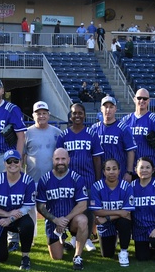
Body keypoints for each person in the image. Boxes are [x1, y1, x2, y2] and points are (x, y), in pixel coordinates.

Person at [57, 102, 103, 252]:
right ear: (70, 116)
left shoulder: (91, 134)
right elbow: (58, 160)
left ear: (84, 115)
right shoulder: (63, 135)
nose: (77, 115)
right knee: (70, 209)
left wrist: (97, 180)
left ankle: (86, 238)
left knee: (88, 210)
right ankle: (73, 236)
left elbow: (97, 159)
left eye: (80, 113)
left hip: (88, 179)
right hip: (69, 181)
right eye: (74, 113)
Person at [36, 148, 89, 270]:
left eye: (63, 159)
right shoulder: (44, 180)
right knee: (57, 257)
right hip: (53, 222)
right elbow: (40, 206)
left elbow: (82, 204)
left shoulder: (76, 178)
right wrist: (55, 220)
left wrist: (65, 220)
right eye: (57, 159)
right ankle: (63, 240)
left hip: (71, 219)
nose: (60, 162)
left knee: (83, 220)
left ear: (68, 160)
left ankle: (77, 256)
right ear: (52, 160)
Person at [0, 149, 35, 270]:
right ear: (4, 163)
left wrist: (10, 218)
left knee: (28, 224)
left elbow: (27, 207)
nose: (12, 164)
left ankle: (25, 257)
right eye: (9, 161)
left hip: (17, 216)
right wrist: (6, 214)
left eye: (15, 161)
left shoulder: (28, 181)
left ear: (20, 162)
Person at [24, 101, 62, 241]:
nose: (41, 116)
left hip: (52, 179)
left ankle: (57, 236)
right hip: (32, 178)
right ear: (33, 115)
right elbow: (22, 156)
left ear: (48, 114)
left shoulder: (57, 133)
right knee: (30, 210)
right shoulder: (27, 133)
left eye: (44, 113)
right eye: (38, 113)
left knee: (54, 208)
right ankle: (30, 238)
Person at [90, 158, 134, 266]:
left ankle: (124, 251)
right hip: (105, 225)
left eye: (114, 169)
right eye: (108, 169)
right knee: (107, 254)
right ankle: (113, 238)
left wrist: (107, 218)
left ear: (119, 171)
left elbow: (127, 212)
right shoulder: (96, 187)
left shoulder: (126, 186)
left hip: (112, 220)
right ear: (104, 172)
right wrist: (119, 212)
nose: (111, 172)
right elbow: (96, 211)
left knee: (125, 221)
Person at [121, 88, 155, 179]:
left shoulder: (154, 120)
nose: (142, 101)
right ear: (134, 99)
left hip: (149, 169)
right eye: (139, 98)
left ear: (149, 101)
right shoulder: (125, 120)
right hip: (130, 169)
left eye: (145, 98)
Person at [131, 157, 155, 263]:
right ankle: (150, 250)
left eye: (148, 167)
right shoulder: (132, 186)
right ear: (136, 170)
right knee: (141, 257)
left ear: (153, 170)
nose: (144, 170)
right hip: (139, 227)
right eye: (141, 167)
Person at [92, 96, 137, 182]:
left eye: (111, 107)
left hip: (119, 174)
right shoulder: (94, 129)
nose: (108, 110)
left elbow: (130, 151)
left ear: (115, 109)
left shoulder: (123, 128)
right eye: (105, 107)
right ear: (101, 109)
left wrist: (129, 172)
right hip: (100, 174)